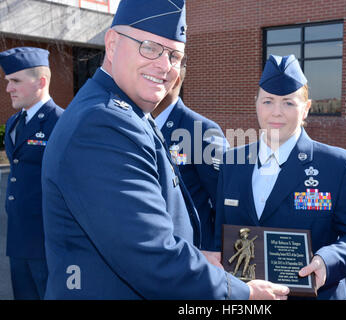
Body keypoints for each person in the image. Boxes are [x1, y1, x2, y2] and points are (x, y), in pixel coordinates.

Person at [41, 0, 288, 300]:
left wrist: (199, 257)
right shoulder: (103, 124)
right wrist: (240, 293)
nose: (165, 66)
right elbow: (150, 254)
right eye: (150, 47)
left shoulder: (127, 112)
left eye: (174, 55)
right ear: (112, 43)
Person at [214, 54, 346, 300]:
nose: (276, 113)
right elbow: (219, 230)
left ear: (306, 108)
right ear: (256, 103)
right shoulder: (232, 161)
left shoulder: (338, 165)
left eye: (289, 103)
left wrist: (327, 261)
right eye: (268, 101)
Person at [0, 47, 64, 299]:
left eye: (15, 81)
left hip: (48, 243)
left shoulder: (61, 123)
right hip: (18, 240)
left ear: (41, 82)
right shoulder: (15, 123)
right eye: (7, 82)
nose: (8, 89)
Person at [152, 61, 228, 251]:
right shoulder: (138, 124)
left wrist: (213, 252)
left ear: (176, 80)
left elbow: (223, 200)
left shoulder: (202, 130)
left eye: (157, 79)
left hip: (192, 251)